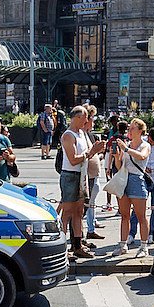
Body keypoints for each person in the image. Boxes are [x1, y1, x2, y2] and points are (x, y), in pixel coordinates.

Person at [58, 106, 95, 258]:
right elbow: (73, 159)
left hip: (81, 175)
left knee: (78, 212)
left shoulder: (81, 133)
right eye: (85, 117)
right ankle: (61, 247)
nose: (86, 121)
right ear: (77, 117)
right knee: (67, 212)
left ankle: (77, 245)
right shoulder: (68, 135)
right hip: (70, 175)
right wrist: (91, 152)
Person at [112, 118, 154, 251]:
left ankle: (143, 246)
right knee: (124, 215)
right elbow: (119, 166)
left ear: (140, 131)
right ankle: (123, 245)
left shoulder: (145, 145)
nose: (129, 130)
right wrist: (116, 156)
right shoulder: (127, 145)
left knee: (141, 216)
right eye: (129, 128)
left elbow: (141, 156)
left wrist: (125, 149)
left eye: (132, 128)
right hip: (124, 179)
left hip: (137, 179)